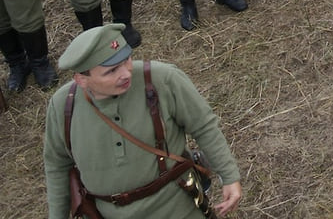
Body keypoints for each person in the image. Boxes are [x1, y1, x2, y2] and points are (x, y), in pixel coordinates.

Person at [43, 24, 243, 219]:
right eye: (111, 71)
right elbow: (57, 165)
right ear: (82, 80)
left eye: (127, 59)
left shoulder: (162, 79)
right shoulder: (63, 106)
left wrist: (229, 176)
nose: (126, 73)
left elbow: (204, 126)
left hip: (177, 208)